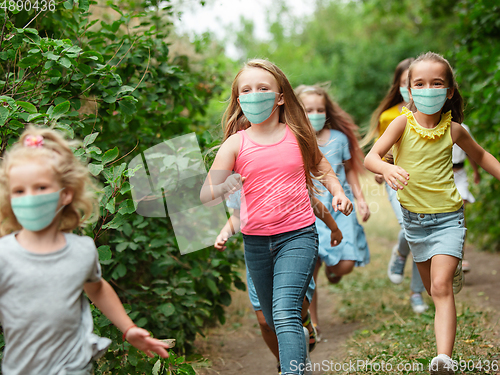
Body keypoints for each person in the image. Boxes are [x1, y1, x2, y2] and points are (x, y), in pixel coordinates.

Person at [200, 59, 353, 375]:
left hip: (297, 236)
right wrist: (225, 183)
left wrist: (337, 191)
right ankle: (301, 338)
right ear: (239, 100)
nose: (254, 95)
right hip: (255, 243)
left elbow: (322, 167)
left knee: (284, 314)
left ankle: (293, 370)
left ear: (281, 96)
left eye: (263, 88)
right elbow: (206, 193)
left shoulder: (297, 136)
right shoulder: (235, 144)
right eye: (247, 90)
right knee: (270, 318)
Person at [364, 51, 500, 374]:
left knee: (440, 289)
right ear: (409, 90)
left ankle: (444, 359)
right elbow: (371, 157)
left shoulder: (454, 130)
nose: (428, 89)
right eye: (420, 84)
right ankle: (446, 270)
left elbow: (481, 156)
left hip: (449, 218)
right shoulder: (401, 124)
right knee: (432, 287)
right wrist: (387, 169)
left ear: (449, 91)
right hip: (414, 222)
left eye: (437, 83)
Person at [0, 126, 172, 374]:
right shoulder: (4, 254)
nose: (30, 197)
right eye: (19, 191)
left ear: (65, 194)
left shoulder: (81, 250)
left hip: (74, 366)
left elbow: (97, 288)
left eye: (41, 187)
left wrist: (128, 328)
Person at [215, 190, 342, 374]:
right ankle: (284, 363)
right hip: (258, 253)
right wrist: (224, 233)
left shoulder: (285, 166)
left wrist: (333, 228)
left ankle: (304, 323)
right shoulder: (239, 176)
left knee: (294, 308)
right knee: (266, 321)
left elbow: (312, 202)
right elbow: (237, 215)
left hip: (294, 244)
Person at [295, 85, 371, 337]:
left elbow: (349, 171)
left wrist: (360, 199)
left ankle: (333, 269)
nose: (315, 114)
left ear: (326, 111)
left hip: (340, 207)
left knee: (346, 264)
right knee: (310, 269)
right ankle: (313, 324)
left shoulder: (338, 138)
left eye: (320, 109)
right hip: (310, 209)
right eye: (308, 110)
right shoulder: (294, 139)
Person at [363, 58, 428, 314]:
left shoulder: (433, 114)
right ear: (400, 85)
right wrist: (382, 170)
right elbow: (381, 151)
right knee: (411, 230)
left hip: (424, 182)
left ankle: (416, 292)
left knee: (419, 237)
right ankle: (401, 255)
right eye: (404, 82)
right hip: (395, 180)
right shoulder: (390, 116)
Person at [452, 124, 481, 272]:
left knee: (460, 214)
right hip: (442, 175)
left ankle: (460, 257)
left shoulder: (463, 128)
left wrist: (476, 172)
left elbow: (471, 152)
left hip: (460, 175)